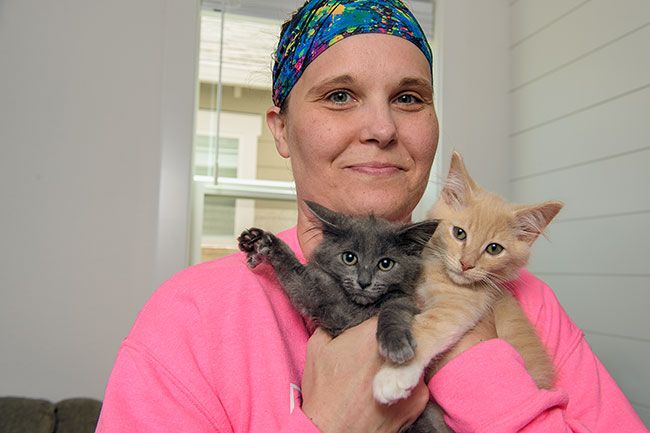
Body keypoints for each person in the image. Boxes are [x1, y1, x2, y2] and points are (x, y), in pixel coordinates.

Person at [95, 1, 648, 432]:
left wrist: (472, 354)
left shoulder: (524, 301)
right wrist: (329, 424)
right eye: (339, 96)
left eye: (409, 98)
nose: (382, 128)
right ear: (282, 130)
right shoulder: (188, 320)